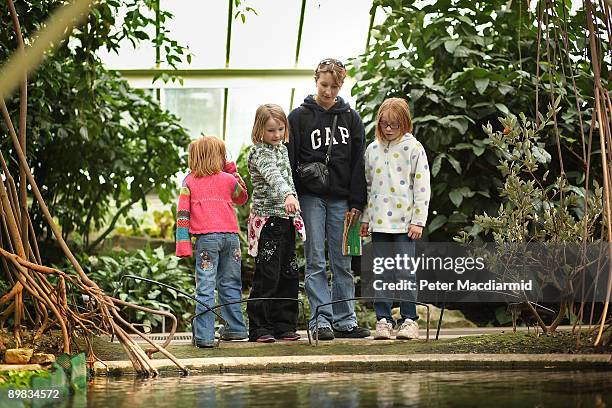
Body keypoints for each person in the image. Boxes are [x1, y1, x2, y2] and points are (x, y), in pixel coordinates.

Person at [287, 58, 369, 340]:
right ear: (315, 81)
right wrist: (293, 197)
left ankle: (345, 320)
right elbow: (290, 159)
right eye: (324, 85)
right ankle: (320, 320)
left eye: (334, 86)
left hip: (343, 200)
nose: (328, 92)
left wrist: (358, 202)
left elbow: (359, 163)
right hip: (310, 198)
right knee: (315, 260)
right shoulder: (298, 117)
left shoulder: (351, 118)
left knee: (343, 259)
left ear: (342, 85)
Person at [360, 97, 431, 340]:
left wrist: (418, 220)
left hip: (405, 223)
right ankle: (383, 320)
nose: (388, 129)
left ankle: (409, 320)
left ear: (405, 124)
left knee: (404, 272)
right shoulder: (371, 150)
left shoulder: (414, 148)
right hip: (379, 223)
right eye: (384, 124)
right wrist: (366, 219)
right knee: (381, 272)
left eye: (394, 125)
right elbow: (368, 187)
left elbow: (422, 186)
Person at [175, 136, 249, 348]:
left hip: (207, 240)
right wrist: (232, 170)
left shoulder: (189, 181)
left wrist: (183, 244)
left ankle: (205, 336)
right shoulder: (228, 179)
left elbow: (182, 214)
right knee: (231, 282)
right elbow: (242, 197)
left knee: (205, 286)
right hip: (231, 239)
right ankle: (235, 328)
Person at [246, 104, 306, 343]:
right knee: (267, 275)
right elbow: (274, 177)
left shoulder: (281, 149)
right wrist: (287, 196)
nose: (277, 134)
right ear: (260, 129)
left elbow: (288, 178)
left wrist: (294, 207)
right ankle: (260, 327)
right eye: (271, 130)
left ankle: (285, 325)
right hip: (268, 221)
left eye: (281, 129)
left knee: (288, 273)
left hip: (286, 220)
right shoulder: (259, 153)